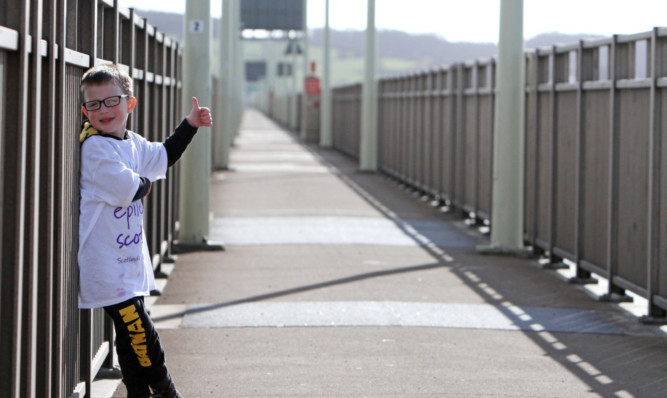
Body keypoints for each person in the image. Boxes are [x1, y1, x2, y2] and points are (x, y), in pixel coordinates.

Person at [78, 64, 212, 398]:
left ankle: (137, 391)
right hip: (105, 264)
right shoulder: (95, 149)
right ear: (85, 111)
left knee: (128, 336)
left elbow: (163, 155)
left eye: (111, 101)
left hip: (128, 262)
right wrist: (143, 183)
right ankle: (166, 389)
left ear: (130, 104)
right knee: (140, 331)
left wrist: (190, 125)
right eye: (94, 105)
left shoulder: (133, 144)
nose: (103, 111)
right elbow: (128, 188)